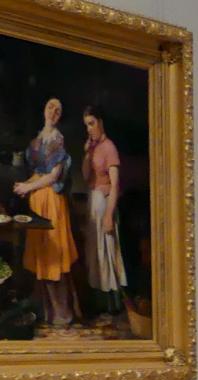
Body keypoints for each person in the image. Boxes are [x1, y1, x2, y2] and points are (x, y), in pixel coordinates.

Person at [12, 98, 79, 326]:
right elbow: (37, 172)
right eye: (50, 106)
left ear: (60, 116)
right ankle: (45, 313)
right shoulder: (37, 139)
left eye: (58, 110)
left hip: (51, 201)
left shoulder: (58, 140)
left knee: (53, 255)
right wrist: (24, 185)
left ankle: (62, 315)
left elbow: (52, 176)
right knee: (40, 255)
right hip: (37, 200)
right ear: (43, 109)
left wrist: (28, 187)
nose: (53, 112)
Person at [81, 105, 129, 318]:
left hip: (106, 203)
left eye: (92, 123)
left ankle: (112, 303)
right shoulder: (93, 149)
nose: (89, 128)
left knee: (108, 251)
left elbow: (115, 185)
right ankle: (99, 301)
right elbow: (85, 176)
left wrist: (109, 214)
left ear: (100, 122)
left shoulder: (110, 147)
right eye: (86, 125)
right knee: (94, 253)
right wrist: (86, 154)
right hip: (93, 203)